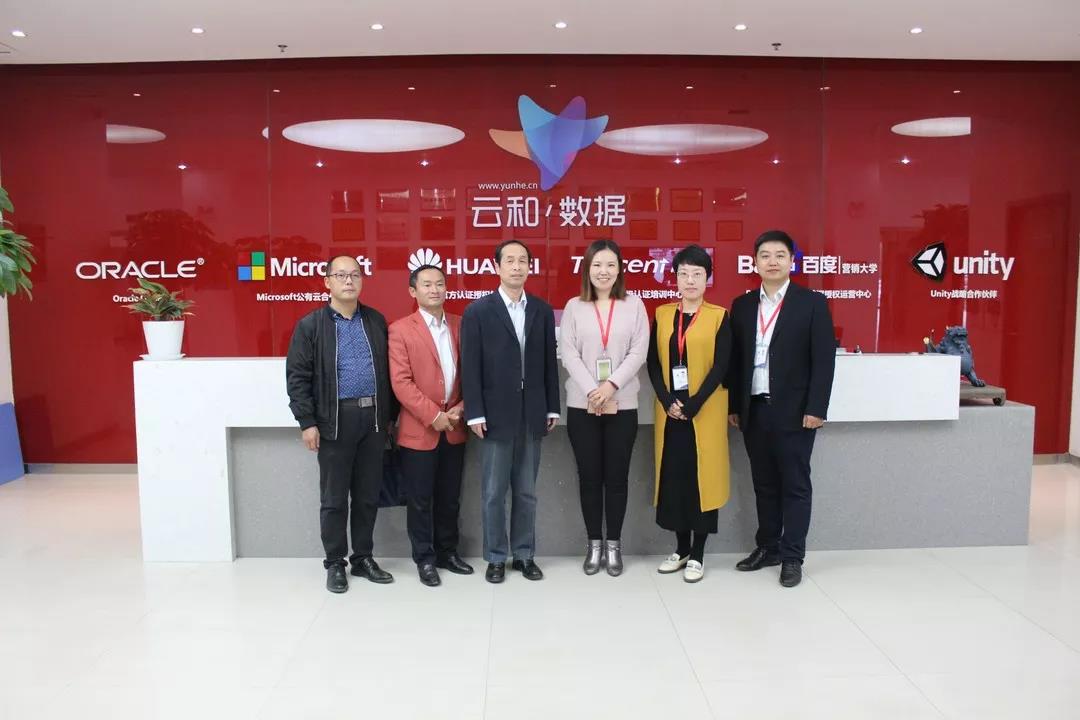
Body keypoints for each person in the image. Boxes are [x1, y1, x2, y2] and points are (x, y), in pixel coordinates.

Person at [728, 230, 836, 588]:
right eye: (765, 255)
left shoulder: (812, 303)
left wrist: (816, 407)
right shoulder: (743, 306)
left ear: (792, 261)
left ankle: (792, 557)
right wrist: (735, 406)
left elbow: (824, 361)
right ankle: (768, 547)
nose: (772, 261)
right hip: (754, 409)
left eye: (779, 255)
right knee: (764, 484)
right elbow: (736, 361)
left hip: (795, 411)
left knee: (795, 485)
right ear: (755, 262)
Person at [286, 255, 398, 594]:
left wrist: (390, 418)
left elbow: (391, 373)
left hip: (374, 420)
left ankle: (362, 558)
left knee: (367, 496)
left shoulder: (376, 321)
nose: (349, 281)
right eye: (341, 275)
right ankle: (335, 562)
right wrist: (307, 422)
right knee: (334, 498)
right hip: (334, 421)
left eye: (355, 275)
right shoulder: (311, 325)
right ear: (327, 282)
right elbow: (297, 377)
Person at [460, 240, 560, 584]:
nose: (517, 267)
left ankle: (524, 554)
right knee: (493, 492)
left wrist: (552, 406)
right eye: (510, 261)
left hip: (532, 413)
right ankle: (495, 557)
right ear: (497, 267)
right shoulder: (478, 312)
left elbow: (548, 363)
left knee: (526, 491)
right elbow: (470, 366)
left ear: (530, 267)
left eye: (522, 261)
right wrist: (475, 413)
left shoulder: (541, 310)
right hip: (494, 415)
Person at [560, 240, 649, 576]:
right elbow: (568, 354)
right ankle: (593, 544)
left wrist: (610, 385)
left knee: (616, 478)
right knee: (589, 477)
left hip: (622, 405)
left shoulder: (634, 305)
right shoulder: (573, 307)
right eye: (597, 264)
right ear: (587, 269)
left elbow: (638, 352)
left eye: (611, 265)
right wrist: (592, 390)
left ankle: (614, 545)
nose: (604, 271)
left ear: (620, 270)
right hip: (581, 405)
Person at [647, 245, 732, 583]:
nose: (690, 280)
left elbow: (721, 366)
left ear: (707, 278)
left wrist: (694, 403)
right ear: (676, 278)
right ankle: (681, 549)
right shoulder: (662, 314)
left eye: (697, 274)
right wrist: (666, 399)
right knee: (675, 479)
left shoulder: (719, 316)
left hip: (704, 411)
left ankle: (698, 553)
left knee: (703, 480)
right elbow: (653, 363)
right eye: (684, 273)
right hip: (670, 412)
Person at [388, 264, 474, 587]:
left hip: (455, 427)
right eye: (427, 285)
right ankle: (424, 558)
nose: (435, 289)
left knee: (450, 497)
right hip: (419, 430)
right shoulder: (400, 330)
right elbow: (401, 382)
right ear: (413, 291)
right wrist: (434, 416)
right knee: (420, 499)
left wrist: (461, 409)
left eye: (440, 283)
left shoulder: (461, 325)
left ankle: (447, 552)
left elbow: (473, 374)